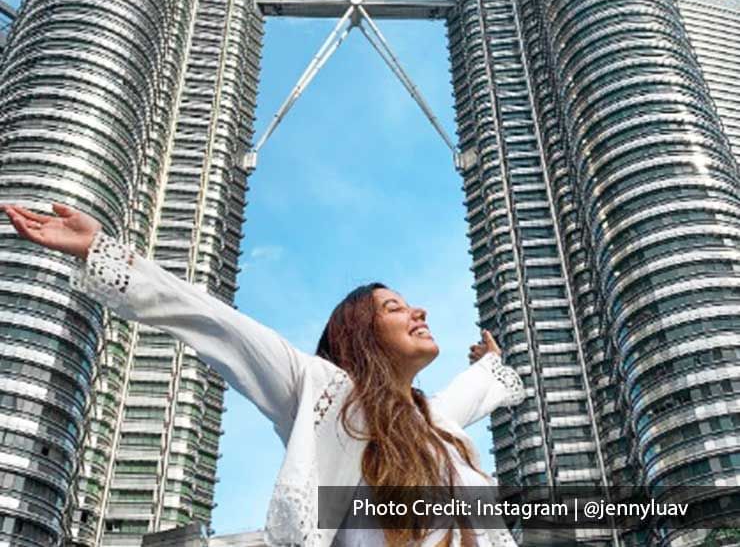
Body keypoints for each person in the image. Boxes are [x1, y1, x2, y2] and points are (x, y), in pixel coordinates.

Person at [1, 202, 526, 547]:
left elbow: (472, 392)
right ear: (360, 333)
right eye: (394, 308)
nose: (419, 313)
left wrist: (488, 365)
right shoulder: (322, 391)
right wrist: (101, 251)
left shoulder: (434, 424)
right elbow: (216, 323)